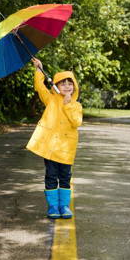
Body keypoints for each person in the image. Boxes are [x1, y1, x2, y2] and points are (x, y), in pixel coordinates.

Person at [26, 58, 83, 219]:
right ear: (56, 86)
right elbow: (39, 87)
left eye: (70, 83)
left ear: (74, 86)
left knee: (65, 177)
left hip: (66, 149)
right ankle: (52, 207)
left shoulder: (76, 105)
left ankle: (64, 206)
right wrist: (39, 70)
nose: (67, 86)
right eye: (63, 83)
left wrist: (67, 104)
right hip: (50, 148)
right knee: (51, 176)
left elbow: (76, 122)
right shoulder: (51, 100)